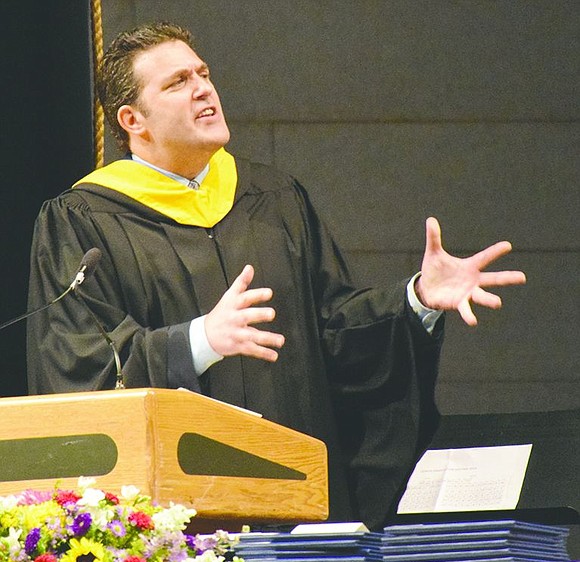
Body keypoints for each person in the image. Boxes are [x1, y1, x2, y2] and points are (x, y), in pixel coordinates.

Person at [26, 22, 525, 530]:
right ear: (133, 120)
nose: (204, 88)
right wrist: (197, 341)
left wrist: (415, 299)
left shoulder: (275, 198)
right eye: (177, 82)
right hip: (174, 534)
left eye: (203, 73)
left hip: (297, 511)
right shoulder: (83, 221)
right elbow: (78, 367)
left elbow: (333, 329)